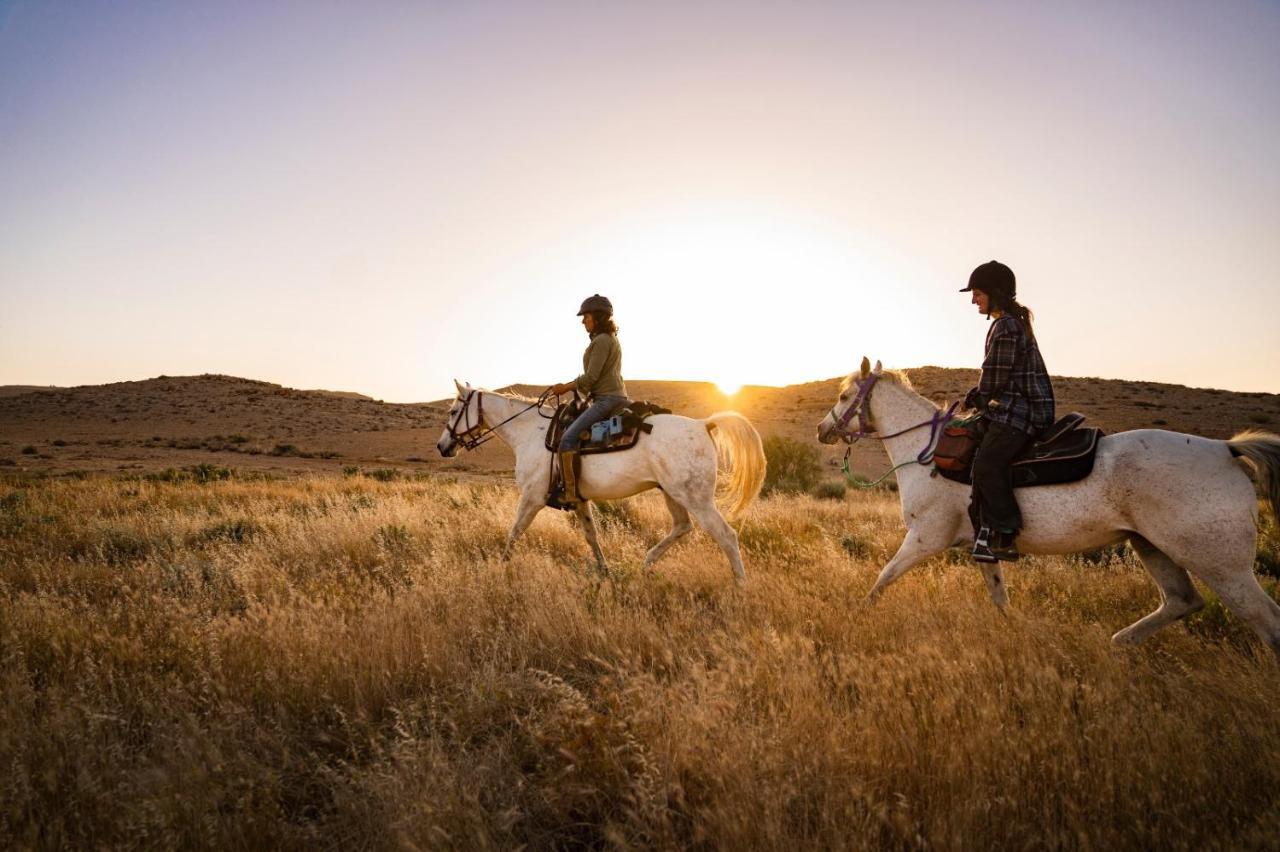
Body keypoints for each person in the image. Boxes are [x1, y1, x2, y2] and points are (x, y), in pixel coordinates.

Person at [960, 261, 1055, 562]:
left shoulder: (1006, 326)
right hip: (1011, 406)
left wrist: (976, 398)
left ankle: (1005, 533)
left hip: (1020, 411)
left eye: (977, 293)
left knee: (987, 463)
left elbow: (993, 379)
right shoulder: (1009, 322)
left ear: (994, 293)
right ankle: (983, 532)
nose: (973, 299)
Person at [548, 294, 629, 507]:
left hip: (607, 400)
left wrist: (564, 387)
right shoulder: (609, 339)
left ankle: (571, 493)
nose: (583, 321)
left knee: (567, 439)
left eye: (586, 316)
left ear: (598, 317)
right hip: (613, 397)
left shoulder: (602, 341)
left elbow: (591, 378)